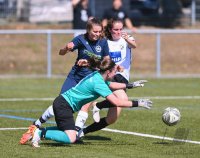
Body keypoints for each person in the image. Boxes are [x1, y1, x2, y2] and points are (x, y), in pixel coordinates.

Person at [22, 57, 152, 147]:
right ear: (108, 72)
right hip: (64, 106)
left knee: (69, 131)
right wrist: (138, 103)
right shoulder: (98, 83)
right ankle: (39, 132)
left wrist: (129, 85)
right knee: (71, 138)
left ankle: (38, 130)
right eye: (114, 71)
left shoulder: (97, 75)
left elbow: (111, 84)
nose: (115, 74)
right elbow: (117, 102)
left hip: (62, 103)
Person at [19, 17, 110, 145]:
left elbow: (106, 62)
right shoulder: (80, 39)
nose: (98, 34)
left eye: (99, 31)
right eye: (95, 31)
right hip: (75, 76)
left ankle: (74, 134)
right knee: (61, 103)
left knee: (84, 106)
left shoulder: (103, 42)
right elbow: (61, 53)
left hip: (89, 79)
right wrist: (66, 48)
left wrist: (89, 63)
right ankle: (36, 125)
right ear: (88, 30)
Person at [75, 18, 139, 137]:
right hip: (109, 75)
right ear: (110, 29)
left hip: (122, 78)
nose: (119, 32)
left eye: (121, 29)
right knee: (123, 99)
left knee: (111, 119)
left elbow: (134, 45)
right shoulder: (105, 42)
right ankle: (83, 119)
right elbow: (98, 58)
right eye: (116, 29)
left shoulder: (127, 39)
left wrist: (127, 39)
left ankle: (82, 132)